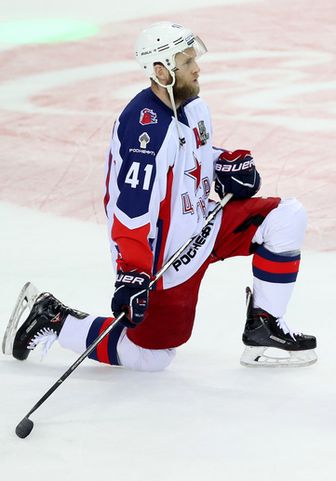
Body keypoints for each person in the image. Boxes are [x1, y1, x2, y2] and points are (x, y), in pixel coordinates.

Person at [3, 22, 316, 370]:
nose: (197, 67)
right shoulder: (146, 131)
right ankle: (55, 320)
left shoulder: (194, 106)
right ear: (161, 70)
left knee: (286, 216)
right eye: (186, 62)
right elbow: (131, 211)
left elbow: (193, 155)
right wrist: (133, 273)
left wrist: (223, 163)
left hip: (203, 225)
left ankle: (264, 327)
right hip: (166, 258)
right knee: (150, 357)